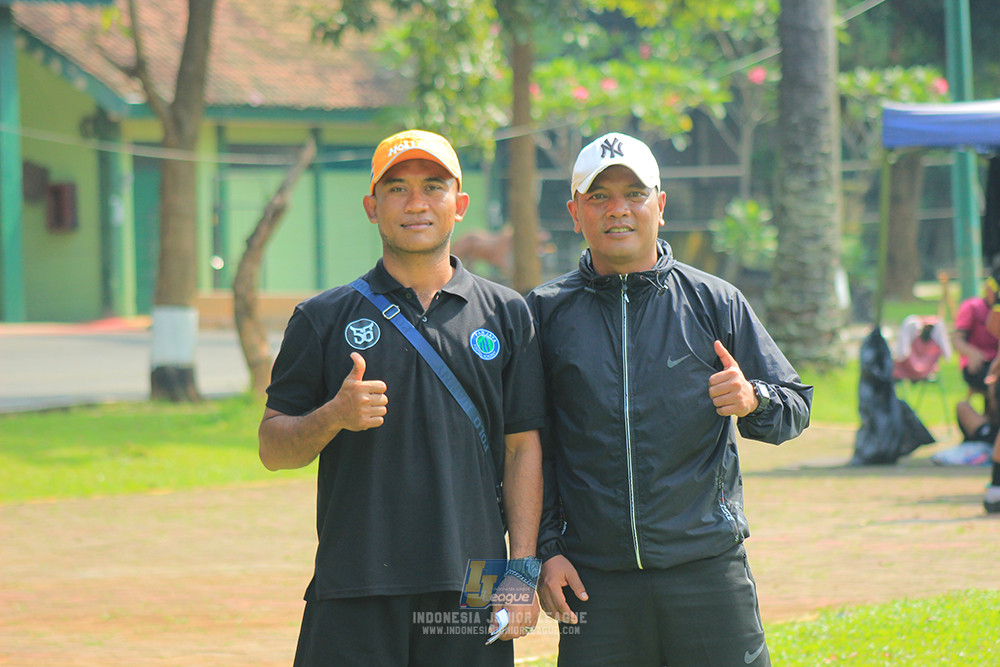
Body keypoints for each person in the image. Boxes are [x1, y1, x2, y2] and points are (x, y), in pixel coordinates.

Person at [526, 132, 814, 666]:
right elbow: (527, 447)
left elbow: (795, 406)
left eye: (634, 194)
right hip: (594, 580)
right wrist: (546, 551)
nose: (618, 210)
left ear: (659, 205)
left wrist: (755, 399)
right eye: (598, 196)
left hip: (706, 569)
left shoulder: (714, 301)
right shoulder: (544, 313)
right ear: (574, 213)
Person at [259, 129, 545, 666]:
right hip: (354, 578)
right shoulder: (322, 318)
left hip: (476, 583)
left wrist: (522, 570)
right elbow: (274, 449)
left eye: (433, 186)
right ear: (372, 207)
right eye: (397, 189)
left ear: (459, 205)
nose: (416, 203)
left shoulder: (508, 314)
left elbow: (523, 448)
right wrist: (333, 416)